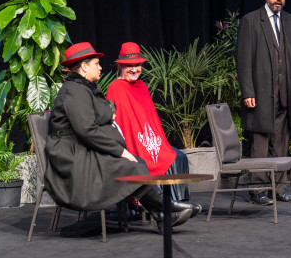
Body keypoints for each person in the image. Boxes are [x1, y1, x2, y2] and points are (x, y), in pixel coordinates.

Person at [44, 42, 198, 233]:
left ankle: (162, 214)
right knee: (129, 164)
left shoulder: (84, 88)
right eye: (96, 63)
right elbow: (86, 130)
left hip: (81, 148)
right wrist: (120, 150)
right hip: (71, 158)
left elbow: (99, 114)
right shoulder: (74, 91)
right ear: (84, 67)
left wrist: (109, 111)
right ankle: (166, 208)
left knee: (135, 162)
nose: (100, 67)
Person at [237, 0, 291, 205]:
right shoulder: (251, 21)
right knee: (260, 141)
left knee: (281, 141)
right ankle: (257, 190)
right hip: (260, 92)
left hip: (285, 92)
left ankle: (279, 188)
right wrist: (247, 91)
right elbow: (243, 59)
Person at [106, 42, 198, 205]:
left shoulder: (141, 86)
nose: (134, 69)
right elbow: (119, 124)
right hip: (132, 145)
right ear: (120, 66)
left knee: (179, 157)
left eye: (137, 65)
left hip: (150, 140)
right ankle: (164, 206)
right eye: (129, 66)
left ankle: (177, 203)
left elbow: (150, 120)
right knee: (163, 160)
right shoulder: (116, 87)